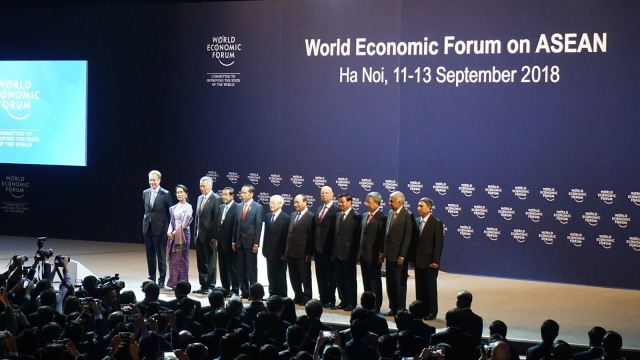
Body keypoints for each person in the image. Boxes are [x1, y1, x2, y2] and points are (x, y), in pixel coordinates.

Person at [383, 191, 414, 316]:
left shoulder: (408, 215)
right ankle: (393, 307)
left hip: (399, 256)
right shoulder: (390, 213)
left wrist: (402, 255)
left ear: (400, 202)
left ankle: (401, 308)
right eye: (389, 200)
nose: (389, 203)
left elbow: (407, 237)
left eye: (392, 201)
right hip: (389, 255)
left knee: (399, 283)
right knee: (390, 283)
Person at [413, 197, 444, 320]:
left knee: (430, 288)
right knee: (419, 287)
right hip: (418, 261)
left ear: (430, 208)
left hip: (430, 262)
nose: (419, 208)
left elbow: (438, 243)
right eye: (418, 206)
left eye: (421, 206)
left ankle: (432, 311)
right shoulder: (416, 221)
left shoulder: (436, 223)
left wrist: (435, 261)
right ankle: (420, 310)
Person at [143, 169, 174, 288]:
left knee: (160, 255)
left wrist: (168, 229)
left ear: (159, 180)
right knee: (149, 255)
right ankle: (151, 278)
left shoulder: (165, 193)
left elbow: (170, 213)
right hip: (147, 227)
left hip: (160, 229)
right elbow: (147, 210)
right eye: (150, 180)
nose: (152, 182)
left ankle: (161, 280)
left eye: (154, 180)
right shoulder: (145, 192)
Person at [232, 184, 264, 298]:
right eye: (241, 192)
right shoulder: (239, 206)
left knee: (251, 269)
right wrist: (233, 241)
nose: (242, 194)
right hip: (239, 242)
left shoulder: (257, 207)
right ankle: (244, 291)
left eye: (245, 193)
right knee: (241, 269)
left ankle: (253, 292)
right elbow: (235, 225)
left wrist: (256, 243)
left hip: (250, 243)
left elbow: (258, 226)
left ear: (251, 194)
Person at [332, 193, 361, 312]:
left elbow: (357, 237)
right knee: (339, 279)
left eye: (343, 202)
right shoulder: (338, 215)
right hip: (337, 253)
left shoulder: (356, 216)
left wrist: (355, 254)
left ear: (350, 202)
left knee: (349, 279)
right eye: (339, 202)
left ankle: (351, 302)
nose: (340, 204)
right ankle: (343, 300)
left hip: (349, 254)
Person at [359, 191, 386, 313]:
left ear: (377, 203)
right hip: (363, 255)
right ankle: (367, 305)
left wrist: (381, 253)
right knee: (366, 281)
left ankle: (376, 306)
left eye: (369, 202)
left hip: (374, 255)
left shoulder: (382, 218)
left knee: (375, 282)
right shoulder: (365, 215)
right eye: (366, 202)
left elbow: (382, 238)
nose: (366, 204)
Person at [194, 176, 222, 294]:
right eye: (200, 185)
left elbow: (217, 219)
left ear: (210, 186)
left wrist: (215, 237)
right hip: (199, 236)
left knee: (210, 263)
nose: (201, 188)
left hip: (210, 237)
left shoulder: (216, 199)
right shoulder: (200, 198)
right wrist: (195, 233)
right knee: (201, 261)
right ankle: (203, 285)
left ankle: (211, 285)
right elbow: (197, 218)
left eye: (203, 186)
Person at [286, 194, 315, 305]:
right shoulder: (293, 215)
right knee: (294, 277)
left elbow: (310, 236)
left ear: (305, 202)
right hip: (291, 252)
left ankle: (307, 297)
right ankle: (298, 295)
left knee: (305, 277)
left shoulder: (310, 216)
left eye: (298, 202)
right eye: (294, 202)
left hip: (302, 253)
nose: (295, 204)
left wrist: (308, 253)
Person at [314, 186, 339, 309]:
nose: (324, 195)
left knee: (331, 276)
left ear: (332, 195)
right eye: (322, 193)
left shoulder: (336, 210)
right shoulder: (319, 209)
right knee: (320, 275)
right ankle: (323, 297)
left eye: (326, 193)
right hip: (318, 249)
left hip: (329, 250)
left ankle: (331, 299)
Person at [262, 194, 290, 297]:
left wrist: (284, 253)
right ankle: (272, 292)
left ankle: (281, 294)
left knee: (280, 275)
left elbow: (286, 238)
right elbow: (266, 235)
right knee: (271, 274)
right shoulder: (268, 216)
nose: (271, 204)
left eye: (273, 203)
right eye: (270, 202)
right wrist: (264, 250)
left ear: (280, 204)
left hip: (280, 254)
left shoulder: (286, 218)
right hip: (269, 252)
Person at [166, 184, 193, 290]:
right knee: (173, 258)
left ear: (186, 194)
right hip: (172, 235)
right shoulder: (174, 207)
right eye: (177, 192)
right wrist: (168, 231)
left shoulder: (188, 207)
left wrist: (174, 232)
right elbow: (171, 221)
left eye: (181, 192)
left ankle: (182, 283)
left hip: (182, 236)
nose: (179, 194)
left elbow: (185, 223)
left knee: (181, 258)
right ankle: (173, 282)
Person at [217, 187, 240, 295]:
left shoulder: (237, 208)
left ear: (232, 196)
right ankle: (225, 288)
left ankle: (235, 289)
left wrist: (234, 241)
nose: (224, 197)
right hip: (221, 243)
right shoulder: (221, 207)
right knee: (223, 267)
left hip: (231, 244)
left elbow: (237, 227)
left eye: (226, 195)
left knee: (233, 267)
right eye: (222, 194)